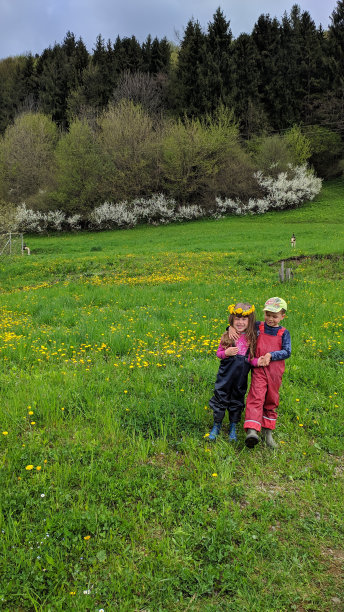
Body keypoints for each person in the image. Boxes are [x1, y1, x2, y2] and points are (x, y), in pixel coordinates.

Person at [243, 297, 291, 449]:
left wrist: (271, 355)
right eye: (268, 314)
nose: (270, 319)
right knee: (256, 396)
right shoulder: (258, 327)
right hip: (259, 369)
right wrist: (229, 328)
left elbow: (287, 351)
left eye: (274, 316)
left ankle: (267, 432)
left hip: (275, 372)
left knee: (271, 400)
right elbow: (242, 324)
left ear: (282, 316)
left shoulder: (284, 333)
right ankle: (252, 430)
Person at [207, 302, 258, 442]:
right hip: (225, 376)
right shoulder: (227, 335)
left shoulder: (252, 337)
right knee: (220, 398)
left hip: (240, 378)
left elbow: (251, 359)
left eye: (244, 319)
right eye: (237, 319)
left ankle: (233, 427)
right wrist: (226, 353)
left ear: (250, 320)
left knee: (237, 399)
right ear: (232, 320)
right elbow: (219, 353)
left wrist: (258, 362)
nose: (240, 322)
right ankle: (216, 425)